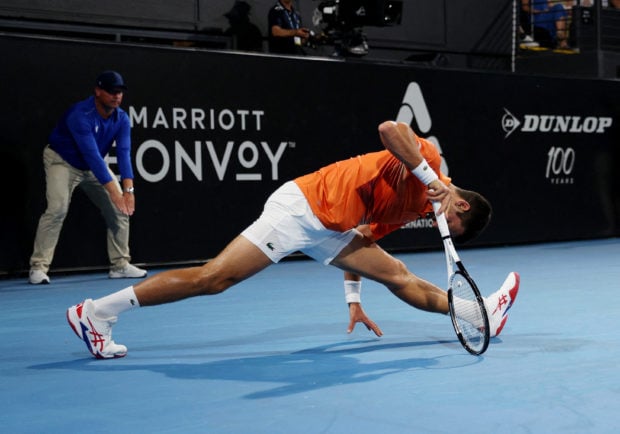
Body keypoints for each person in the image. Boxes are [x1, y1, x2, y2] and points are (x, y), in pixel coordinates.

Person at [66, 120, 520, 359]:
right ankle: (97, 313)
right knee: (214, 278)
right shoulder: (429, 163)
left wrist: (352, 299)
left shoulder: (414, 208)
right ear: (458, 204)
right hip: (301, 208)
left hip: (331, 229)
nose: (436, 217)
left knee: (398, 276)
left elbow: (362, 236)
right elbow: (388, 130)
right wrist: (428, 176)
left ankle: (479, 315)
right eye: (448, 220)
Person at [29, 71, 147, 285]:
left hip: (93, 166)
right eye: (111, 92)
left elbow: (123, 154)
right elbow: (91, 156)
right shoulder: (80, 115)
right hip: (62, 161)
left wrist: (128, 192)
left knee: (119, 209)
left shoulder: (121, 118)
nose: (116, 96)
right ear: (98, 91)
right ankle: (38, 267)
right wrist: (116, 193)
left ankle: (120, 265)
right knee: (58, 209)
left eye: (119, 92)